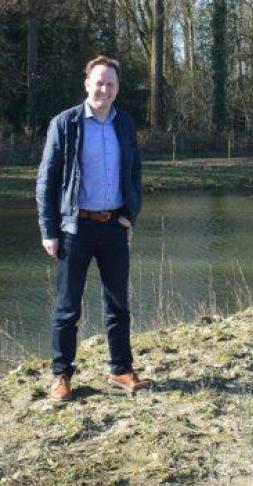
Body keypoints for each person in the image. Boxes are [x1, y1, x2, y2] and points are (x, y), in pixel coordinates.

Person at [36, 55, 148, 401]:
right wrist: (49, 230)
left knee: (118, 304)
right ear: (87, 84)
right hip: (75, 228)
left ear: (117, 88)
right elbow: (46, 181)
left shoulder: (125, 123)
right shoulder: (65, 123)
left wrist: (131, 214)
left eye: (110, 83)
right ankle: (62, 375)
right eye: (99, 82)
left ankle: (121, 369)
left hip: (114, 225)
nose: (104, 88)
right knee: (68, 307)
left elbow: (135, 174)